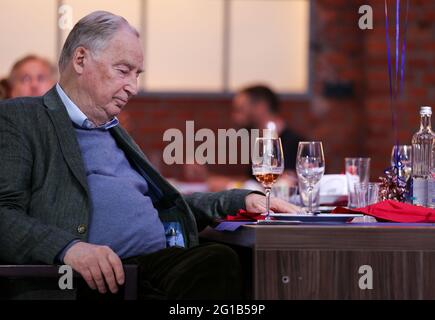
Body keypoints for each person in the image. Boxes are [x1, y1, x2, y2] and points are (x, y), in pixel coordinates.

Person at [0, 11, 299, 300]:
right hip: (85, 281)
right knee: (220, 262)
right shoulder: (21, 118)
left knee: (239, 262)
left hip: (149, 268)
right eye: (123, 70)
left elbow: (163, 206)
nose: (133, 87)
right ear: (81, 59)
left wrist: (240, 199)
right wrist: (68, 248)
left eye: (137, 74)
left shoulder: (112, 130)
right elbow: (3, 213)